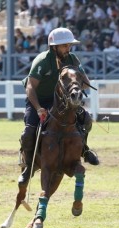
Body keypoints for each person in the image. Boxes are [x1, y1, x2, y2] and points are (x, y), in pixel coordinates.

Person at [19, 27, 99, 187]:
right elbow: (30, 87)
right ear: (53, 46)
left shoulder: (73, 59)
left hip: (61, 101)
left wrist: (76, 84)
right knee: (29, 132)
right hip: (38, 100)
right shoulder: (42, 61)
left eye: (69, 45)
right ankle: (28, 166)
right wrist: (39, 108)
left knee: (86, 120)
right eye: (64, 46)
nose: (68, 49)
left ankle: (84, 149)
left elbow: (86, 84)